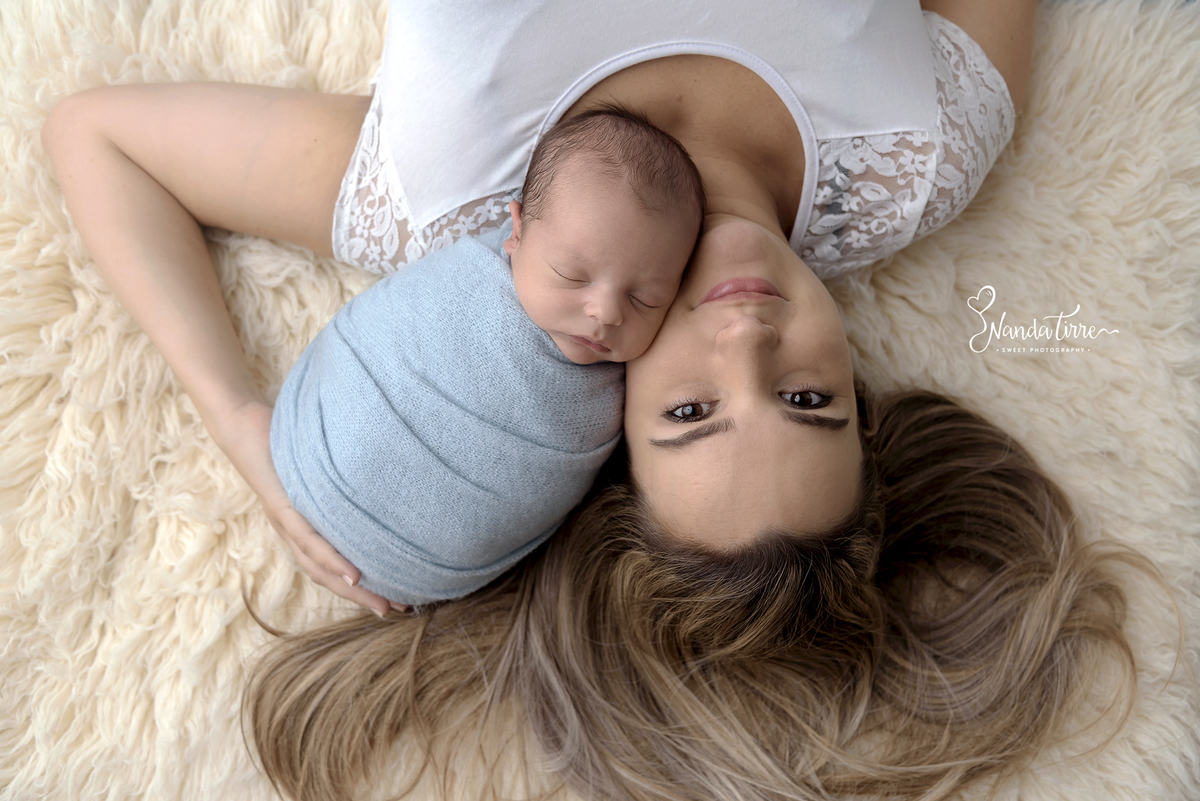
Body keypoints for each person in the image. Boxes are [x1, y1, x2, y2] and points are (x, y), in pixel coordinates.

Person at [43, 1, 1147, 799]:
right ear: (865, 396)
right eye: (808, 396)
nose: (748, 338)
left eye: (691, 414)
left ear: (610, 433)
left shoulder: (447, 207)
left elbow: (95, 135)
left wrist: (246, 426)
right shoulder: (927, 152)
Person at [271, 108, 703, 606]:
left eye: (645, 298)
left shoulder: (632, 389)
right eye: (571, 274)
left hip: (423, 567)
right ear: (516, 232)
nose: (605, 312)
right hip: (315, 444)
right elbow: (388, 333)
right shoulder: (467, 275)